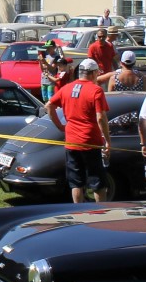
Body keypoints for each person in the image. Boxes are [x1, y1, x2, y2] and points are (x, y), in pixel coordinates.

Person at [46, 58, 111, 203]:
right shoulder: (96, 90)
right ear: (93, 73)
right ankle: (102, 212)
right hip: (90, 141)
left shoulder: (67, 88)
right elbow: (101, 117)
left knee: (76, 182)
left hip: (71, 141)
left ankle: (78, 213)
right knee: (98, 182)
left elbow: (48, 106)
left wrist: (60, 126)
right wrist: (107, 140)